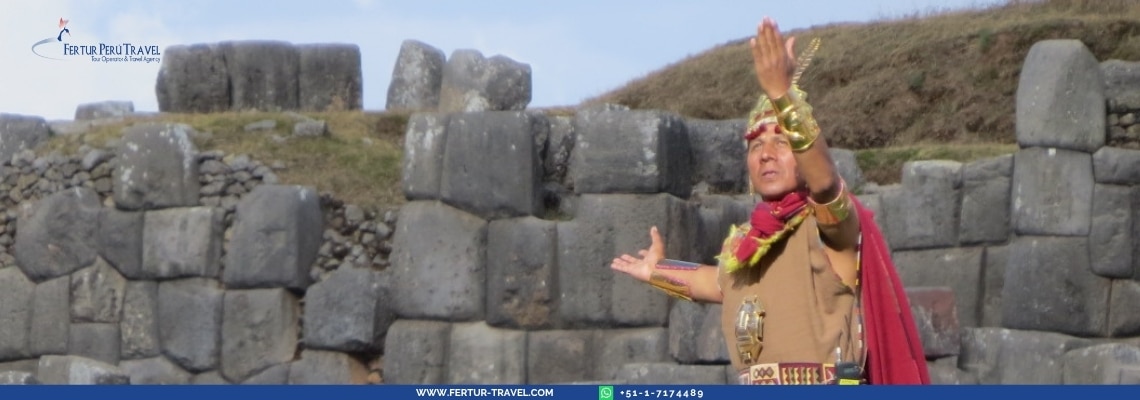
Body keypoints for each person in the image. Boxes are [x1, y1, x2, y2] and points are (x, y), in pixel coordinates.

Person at [610, 17, 930, 385]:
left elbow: (825, 182)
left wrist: (782, 95)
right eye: (756, 144)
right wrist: (657, 272)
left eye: (781, 142)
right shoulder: (746, 240)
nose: (766, 154)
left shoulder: (829, 225)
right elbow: (717, 283)